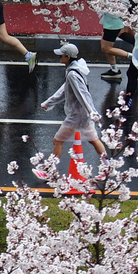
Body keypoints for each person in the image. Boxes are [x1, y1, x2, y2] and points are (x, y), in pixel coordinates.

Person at [33, 42, 106, 180]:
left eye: (61, 56)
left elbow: (82, 94)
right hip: (82, 114)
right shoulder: (77, 69)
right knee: (94, 140)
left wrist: (92, 111)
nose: (59, 58)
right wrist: (49, 103)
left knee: (57, 140)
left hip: (76, 116)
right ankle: (108, 167)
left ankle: (49, 172)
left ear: (67, 57)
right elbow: (65, 90)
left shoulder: (72, 73)